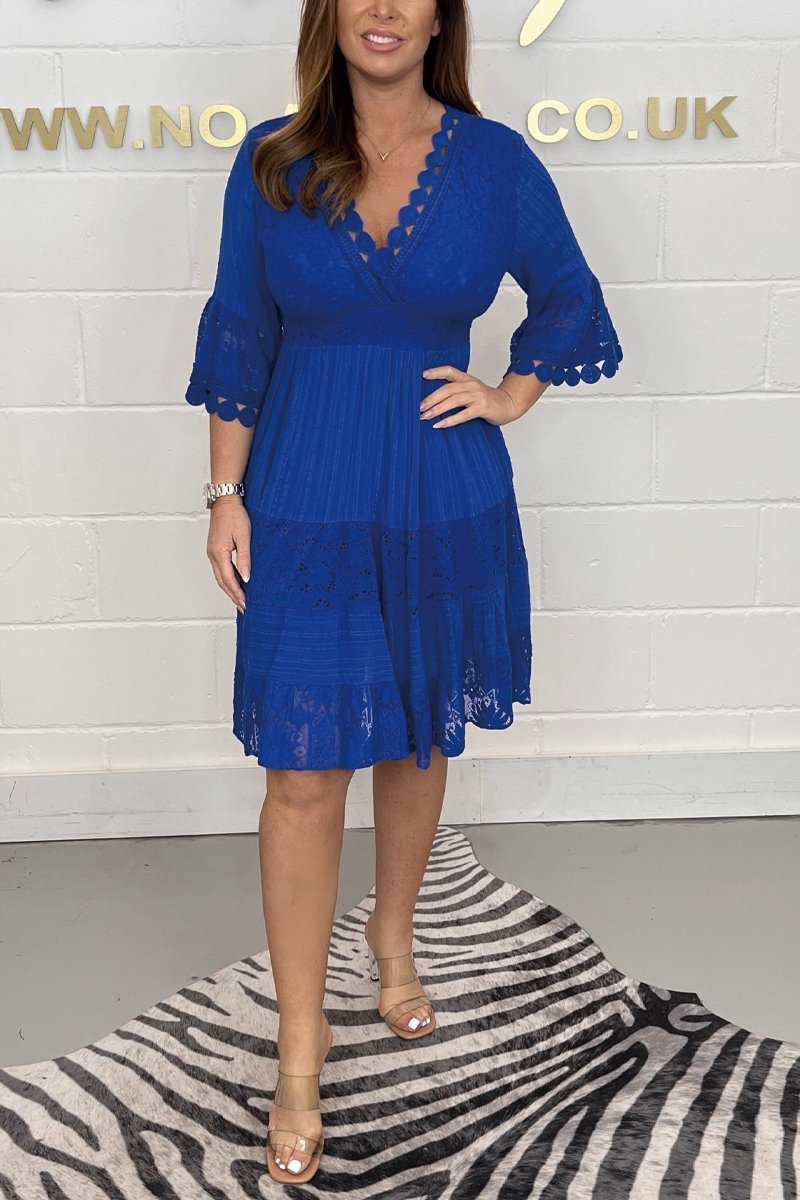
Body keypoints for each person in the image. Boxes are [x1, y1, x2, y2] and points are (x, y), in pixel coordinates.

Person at [184, 0, 623, 1183]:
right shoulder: (273, 159)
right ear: (328, 14)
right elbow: (240, 332)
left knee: (416, 733)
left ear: (440, 18)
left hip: (439, 486)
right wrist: (223, 494)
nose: (383, 9)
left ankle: (391, 936)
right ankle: (300, 1043)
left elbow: (568, 295)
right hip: (301, 486)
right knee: (302, 771)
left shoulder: (493, 162)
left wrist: (509, 393)